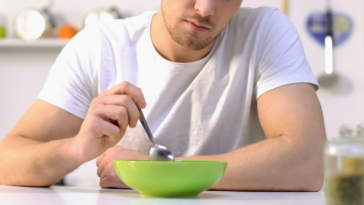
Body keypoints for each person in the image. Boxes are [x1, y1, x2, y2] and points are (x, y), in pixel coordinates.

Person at [0, 0, 326, 191]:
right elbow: (6, 163)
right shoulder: (99, 46)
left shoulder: (265, 30)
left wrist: (156, 172)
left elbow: (308, 162)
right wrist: (74, 149)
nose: (205, 9)